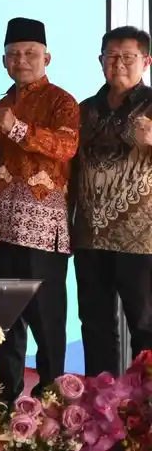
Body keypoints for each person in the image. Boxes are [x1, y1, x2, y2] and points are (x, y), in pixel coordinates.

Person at [0, 17, 79, 399]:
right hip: (0, 233)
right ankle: (4, 406)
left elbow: (66, 147)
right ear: (4, 62)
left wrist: (17, 127)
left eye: (30, 53)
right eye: (14, 54)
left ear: (46, 58)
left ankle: (52, 409)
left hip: (43, 235)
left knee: (47, 325)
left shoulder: (62, 102)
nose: (22, 61)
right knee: (2, 328)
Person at [73, 26, 152, 376]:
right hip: (90, 237)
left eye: (128, 57)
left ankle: (144, 404)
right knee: (94, 326)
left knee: (145, 327)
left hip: (142, 240)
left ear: (146, 62)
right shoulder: (84, 110)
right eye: (112, 56)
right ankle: (99, 400)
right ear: (100, 60)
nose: (119, 64)